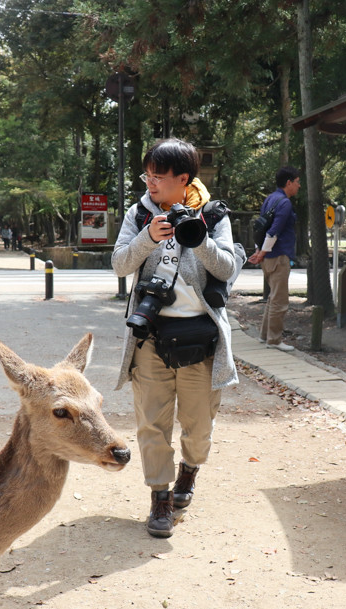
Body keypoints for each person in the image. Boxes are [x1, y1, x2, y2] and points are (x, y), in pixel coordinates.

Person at [112, 138, 241, 539]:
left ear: (183, 180)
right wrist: (148, 236)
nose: (150, 182)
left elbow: (228, 270)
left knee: (198, 426)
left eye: (158, 176)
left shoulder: (213, 214)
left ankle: (189, 471)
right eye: (146, 174)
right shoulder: (139, 214)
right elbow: (119, 264)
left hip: (201, 339)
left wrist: (199, 239)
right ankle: (160, 499)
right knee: (152, 423)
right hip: (151, 336)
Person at [247, 166, 300, 351]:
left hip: (268, 255)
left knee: (272, 298)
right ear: (289, 182)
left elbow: (260, 227)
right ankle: (275, 340)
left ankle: (264, 335)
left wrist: (259, 250)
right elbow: (274, 230)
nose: (298, 186)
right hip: (278, 256)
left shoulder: (270, 198)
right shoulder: (284, 203)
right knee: (279, 300)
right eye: (297, 182)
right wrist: (262, 252)